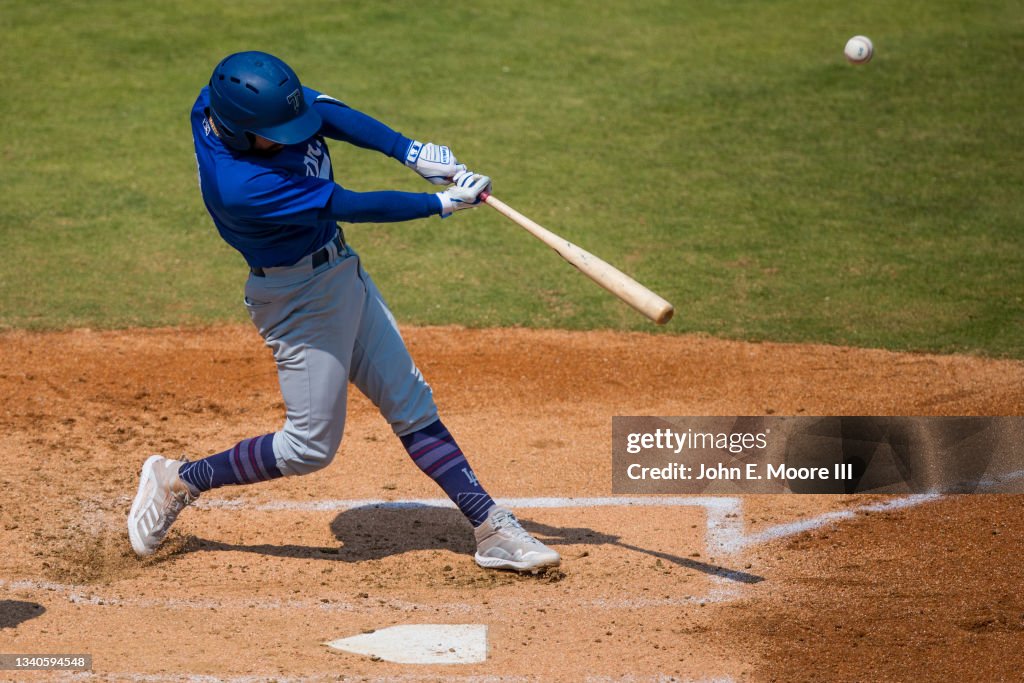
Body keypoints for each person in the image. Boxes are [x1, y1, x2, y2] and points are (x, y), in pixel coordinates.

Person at [127, 51, 560, 573]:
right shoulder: (242, 185)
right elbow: (349, 204)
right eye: (278, 132)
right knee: (309, 447)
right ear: (241, 132)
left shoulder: (227, 105)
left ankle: (491, 526)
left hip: (339, 270)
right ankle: (178, 478)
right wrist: (441, 204)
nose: (294, 136)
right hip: (295, 299)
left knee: (411, 402)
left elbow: (322, 110)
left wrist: (410, 150)